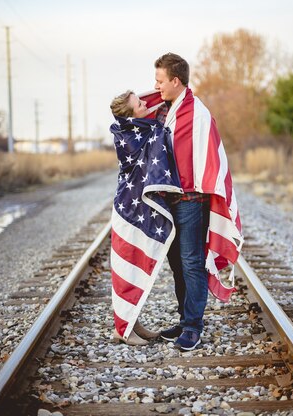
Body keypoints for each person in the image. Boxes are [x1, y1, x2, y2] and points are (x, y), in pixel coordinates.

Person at [153, 53, 243, 352]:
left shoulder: (197, 114)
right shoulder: (164, 110)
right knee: (176, 262)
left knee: (192, 263)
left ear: (175, 81)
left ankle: (194, 327)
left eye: (160, 81)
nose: (156, 87)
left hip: (191, 201)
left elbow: (209, 156)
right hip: (169, 200)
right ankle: (184, 319)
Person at [108, 90, 183, 346]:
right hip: (129, 211)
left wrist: (148, 100)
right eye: (140, 104)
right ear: (131, 116)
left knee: (136, 267)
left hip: (136, 207)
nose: (146, 104)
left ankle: (133, 324)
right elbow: (158, 136)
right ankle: (124, 330)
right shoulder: (133, 135)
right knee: (129, 267)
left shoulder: (137, 128)